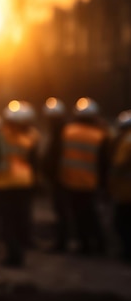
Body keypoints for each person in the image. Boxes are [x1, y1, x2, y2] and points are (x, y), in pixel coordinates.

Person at [0, 100, 40, 267]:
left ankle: (13, 255)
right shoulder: (31, 138)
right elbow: (35, 162)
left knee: (8, 222)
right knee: (20, 220)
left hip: (4, 184)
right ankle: (20, 253)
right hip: (24, 184)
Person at [59, 97, 109, 256]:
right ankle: (100, 245)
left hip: (70, 180)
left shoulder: (67, 131)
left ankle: (85, 245)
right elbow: (104, 163)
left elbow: (59, 155)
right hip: (90, 182)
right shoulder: (100, 135)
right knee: (91, 215)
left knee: (78, 215)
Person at [38, 97, 70, 252]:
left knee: (63, 211)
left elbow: (53, 157)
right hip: (64, 177)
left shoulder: (61, 133)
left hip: (62, 178)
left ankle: (62, 242)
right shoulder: (62, 130)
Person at [109, 109, 131, 263]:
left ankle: (127, 252)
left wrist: (110, 183)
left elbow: (118, 165)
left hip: (126, 191)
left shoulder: (127, 142)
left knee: (121, 222)